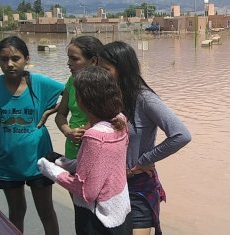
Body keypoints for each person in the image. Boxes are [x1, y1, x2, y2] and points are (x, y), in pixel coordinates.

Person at [97, 41, 191, 235]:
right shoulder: (108, 98)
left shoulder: (144, 99)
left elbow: (181, 135)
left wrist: (144, 160)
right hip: (109, 186)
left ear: (122, 69)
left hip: (137, 187)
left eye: (106, 69)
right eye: (99, 68)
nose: (101, 75)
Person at [38, 66, 132, 235]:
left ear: (82, 101)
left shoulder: (94, 137)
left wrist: (51, 170)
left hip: (98, 220)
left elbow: (86, 191)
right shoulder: (120, 120)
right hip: (120, 212)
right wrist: (66, 163)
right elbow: (102, 166)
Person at [0, 36, 63, 235]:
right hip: (8, 160)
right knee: (16, 211)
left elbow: (73, 90)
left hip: (39, 159)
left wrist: (51, 112)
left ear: (26, 59)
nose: (9, 64)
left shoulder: (39, 83)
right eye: (3, 59)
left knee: (46, 211)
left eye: (15, 58)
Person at [55, 36, 103, 160]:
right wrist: (67, 131)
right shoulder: (72, 81)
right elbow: (60, 114)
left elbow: (107, 117)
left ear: (93, 61)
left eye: (74, 59)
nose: (68, 63)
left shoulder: (105, 85)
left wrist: (84, 132)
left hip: (95, 149)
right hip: (72, 149)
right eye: (68, 58)